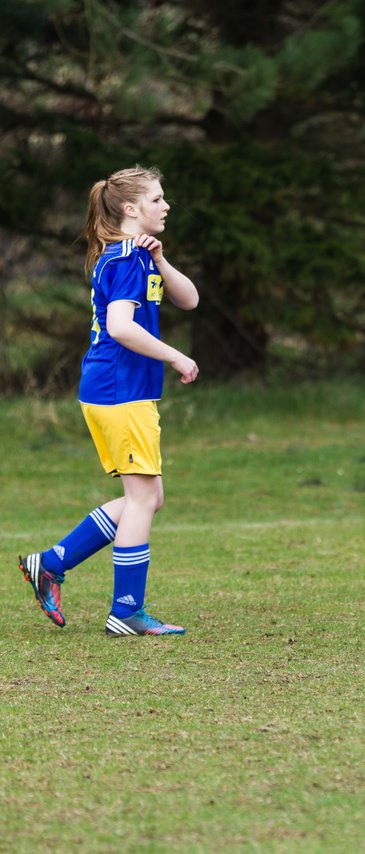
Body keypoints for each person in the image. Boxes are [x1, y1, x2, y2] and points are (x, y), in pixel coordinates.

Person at [19, 166, 199, 636]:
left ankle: (52, 562)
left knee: (147, 497)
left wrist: (161, 259)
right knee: (142, 498)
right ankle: (126, 611)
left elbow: (190, 300)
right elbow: (120, 326)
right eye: (157, 199)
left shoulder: (138, 257)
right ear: (130, 209)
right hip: (119, 392)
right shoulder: (121, 261)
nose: (166, 206)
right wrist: (176, 356)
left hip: (121, 391)